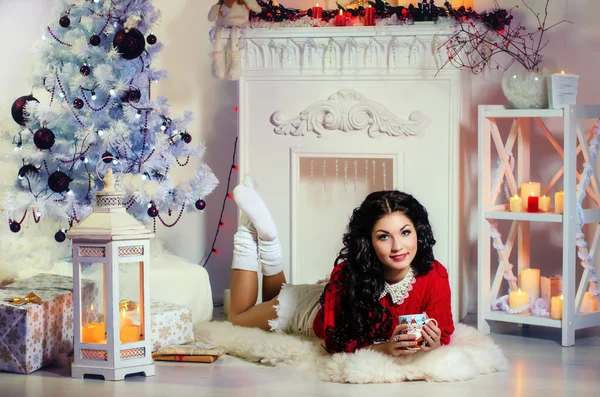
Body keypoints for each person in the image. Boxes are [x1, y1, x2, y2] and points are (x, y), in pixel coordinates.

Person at [227, 175, 454, 356]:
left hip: (332, 297)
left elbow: (442, 331)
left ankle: (268, 240)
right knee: (238, 317)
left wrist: (433, 344)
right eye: (384, 237)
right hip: (306, 312)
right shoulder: (347, 274)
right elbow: (334, 342)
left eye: (405, 233)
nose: (398, 247)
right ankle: (252, 236)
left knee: (273, 297)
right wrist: (385, 348)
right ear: (369, 241)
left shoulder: (435, 274)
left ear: (418, 232)